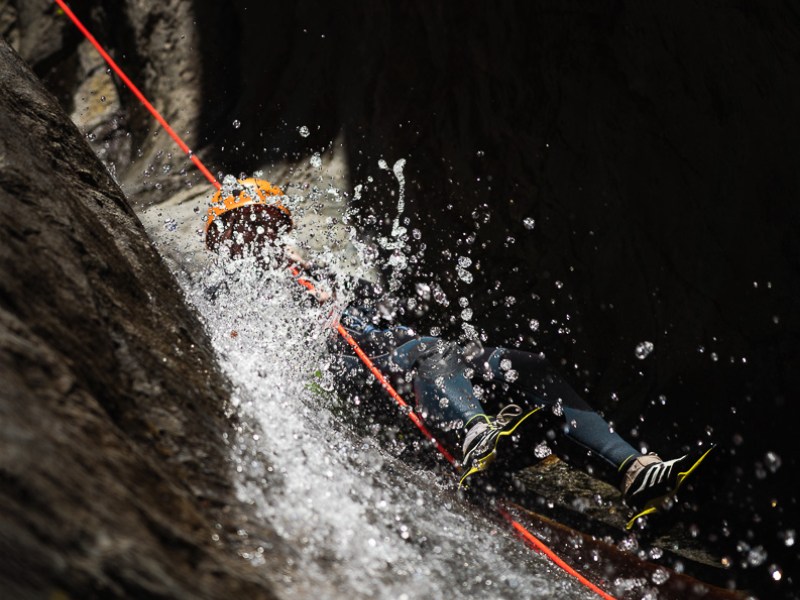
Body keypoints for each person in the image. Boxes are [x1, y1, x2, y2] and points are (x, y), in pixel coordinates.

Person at [204, 178, 714, 530]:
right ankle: (476, 435)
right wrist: (301, 303)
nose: (261, 236)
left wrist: (322, 280)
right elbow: (256, 352)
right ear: (227, 243)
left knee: (523, 364)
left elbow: (384, 315)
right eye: (246, 229)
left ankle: (633, 469)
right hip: (369, 387)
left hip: (411, 366)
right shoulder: (242, 294)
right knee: (431, 350)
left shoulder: (323, 275)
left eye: (267, 224)